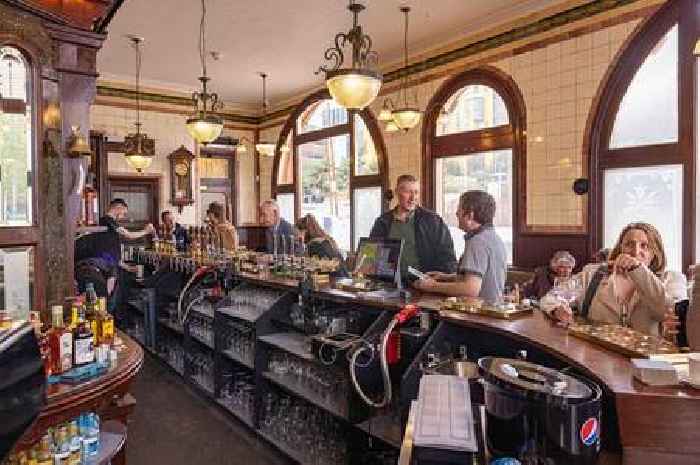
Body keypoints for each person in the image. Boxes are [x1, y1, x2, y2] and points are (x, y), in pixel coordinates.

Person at [541, 222, 687, 336]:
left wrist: (639, 271)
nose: (636, 251)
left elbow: (670, 313)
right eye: (629, 244)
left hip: (649, 366)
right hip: (596, 361)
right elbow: (553, 297)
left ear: (655, 253)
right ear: (620, 249)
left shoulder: (672, 279)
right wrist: (558, 309)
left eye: (645, 246)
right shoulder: (593, 274)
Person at [413, 190, 507, 304]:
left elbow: (470, 289)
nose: (456, 213)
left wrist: (432, 286)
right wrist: (445, 277)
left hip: (478, 317)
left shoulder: (477, 242)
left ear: (470, 215)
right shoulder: (493, 237)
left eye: (459, 208)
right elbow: (479, 277)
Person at [369, 175, 457, 283]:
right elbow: (372, 259)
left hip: (424, 287)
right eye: (408, 192)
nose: (413, 197)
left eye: (416, 192)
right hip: (389, 286)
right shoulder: (382, 222)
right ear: (397, 192)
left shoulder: (433, 221)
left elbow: (448, 259)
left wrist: (439, 283)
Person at [75, 198, 154, 312]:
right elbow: (128, 235)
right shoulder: (107, 220)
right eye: (123, 213)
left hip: (110, 267)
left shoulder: (109, 229)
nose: (123, 217)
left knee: (109, 300)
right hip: (102, 267)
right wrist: (146, 231)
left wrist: (128, 268)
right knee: (104, 301)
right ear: (118, 208)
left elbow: (112, 253)